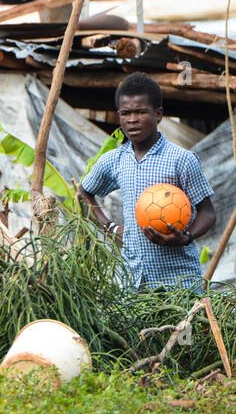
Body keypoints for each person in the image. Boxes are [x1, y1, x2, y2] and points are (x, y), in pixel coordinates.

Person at [77, 72, 216, 293]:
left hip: (178, 281)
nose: (132, 119)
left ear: (158, 114)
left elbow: (208, 213)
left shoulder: (181, 159)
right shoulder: (114, 159)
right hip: (133, 281)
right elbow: (84, 192)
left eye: (140, 112)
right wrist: (111, 228)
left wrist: (185, 237)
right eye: (126, 113)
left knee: (183, 328)